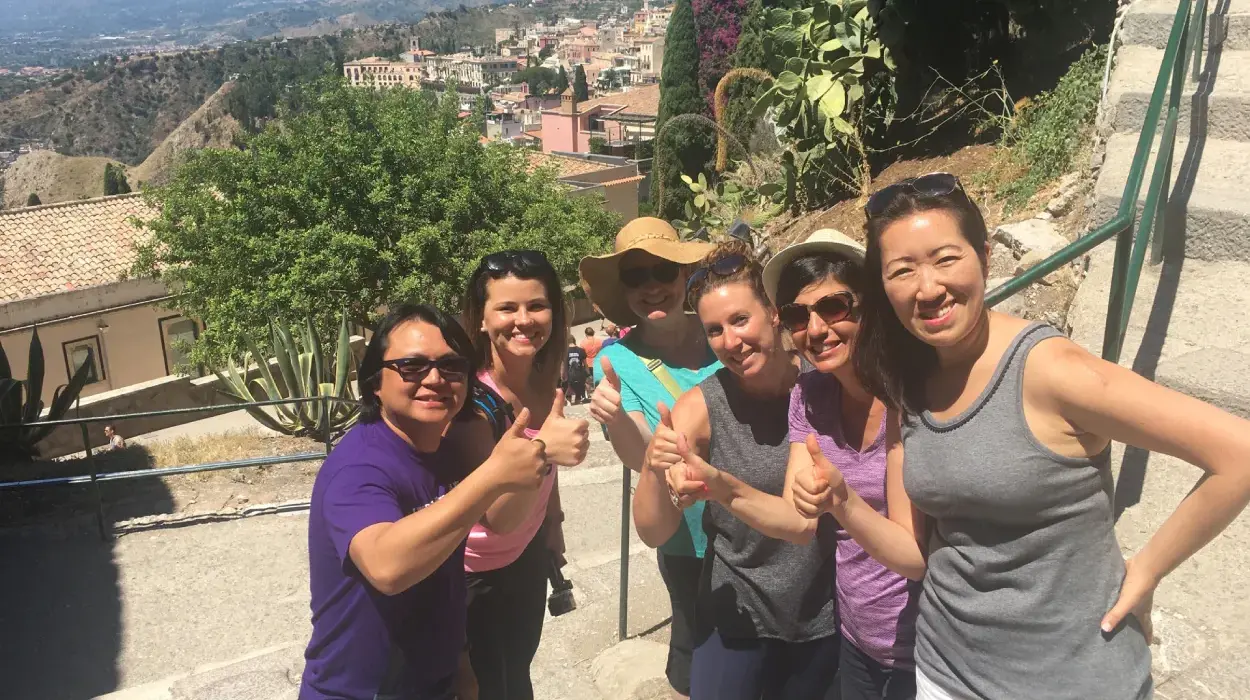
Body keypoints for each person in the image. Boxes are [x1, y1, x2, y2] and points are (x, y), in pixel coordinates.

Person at [792, 173, 1250, 700]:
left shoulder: (1051, 370)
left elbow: (1234, 454)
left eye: (946, 258)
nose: (928, 287)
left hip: (1074, 678)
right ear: (883, 289)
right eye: (902, 270)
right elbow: (918, 555)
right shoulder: (909, 381)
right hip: (945, 672)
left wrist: (1146, 570)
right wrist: (843, 501)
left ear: (984, 256)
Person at [300, 304, 549, 700]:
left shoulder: (443, 454)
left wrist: (462, 664)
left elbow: (449, 570)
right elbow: (387, 567)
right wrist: (490, 477)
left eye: (452, 367)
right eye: (412, 366)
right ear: (375, 383)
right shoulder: (359, 466)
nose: (435, 379)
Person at [636, 240, 840, 700]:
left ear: (772, 311)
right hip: (737, 611)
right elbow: (651, 530)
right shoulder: (703, 406)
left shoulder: (825, 379)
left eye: (739, 319)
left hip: (825, 611)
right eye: (714, 330)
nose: (730, 341)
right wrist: (657, 465)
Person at [764, 230, 918, 700]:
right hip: (857, 641)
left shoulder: (910, 399)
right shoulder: (809, 396)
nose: (815, 329)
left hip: (928, 649)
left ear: (869, 305)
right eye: (796, 315)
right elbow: (798, 517)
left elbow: (915, 556)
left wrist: (843, 501)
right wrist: (714, 485)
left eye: (834, 307)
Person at [579, 217, 718, 698]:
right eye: (636, 277)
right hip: (688, 540)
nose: (652, 286)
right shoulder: (614, 363)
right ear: (624, 290)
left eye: (662, 271)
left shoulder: (724, 332)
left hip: (762, 526)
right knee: (694, 652)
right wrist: (615, 418)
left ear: (684, 276)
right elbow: (642, 457)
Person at [460, 249, 591, 700]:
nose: (523, 319)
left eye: (536, 305)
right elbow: (498, 517)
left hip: (527, 559)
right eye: (506, 308)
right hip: (477, 578)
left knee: (517, 673)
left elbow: (544, 479)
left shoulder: (542, 377)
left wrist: (552, 525)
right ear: (480, 319)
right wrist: (543, 450)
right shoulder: (473, 402)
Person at [565, 335, 589, 404]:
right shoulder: (581, 350)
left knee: (570, 392)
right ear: (574, 340)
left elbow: (563, 366)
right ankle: (579, 400)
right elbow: (585, 364)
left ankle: (573, 403)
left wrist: (563, 375)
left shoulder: (565, 352)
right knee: (579, 391)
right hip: (580, 374)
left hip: (569, 375)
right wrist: (588, 374)